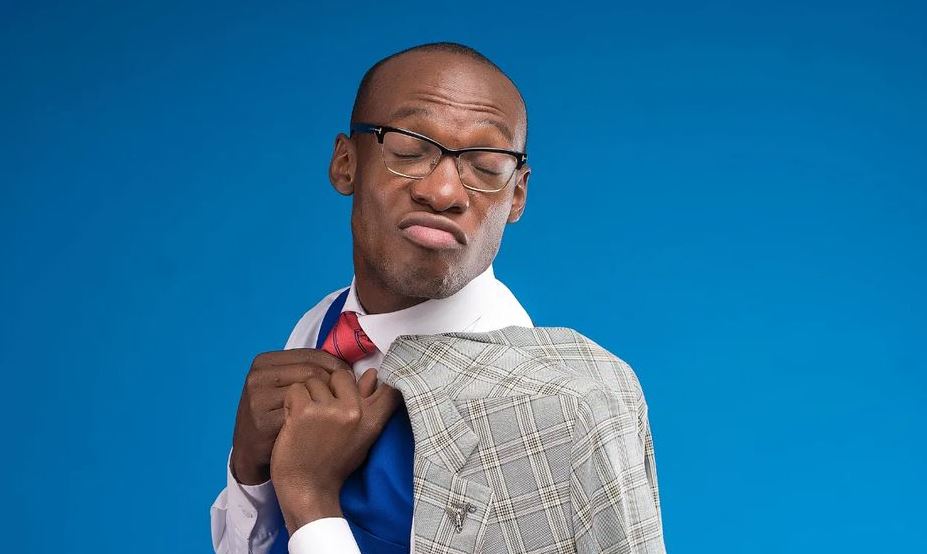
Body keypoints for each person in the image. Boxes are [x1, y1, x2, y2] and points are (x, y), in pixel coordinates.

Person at [210, 42, 664, 554]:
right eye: (409, 149)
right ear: (345, 164)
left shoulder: (562, 412)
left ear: (516, 195)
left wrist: (309, 498)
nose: (444, 191)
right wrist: (249, 473)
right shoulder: (324, 326)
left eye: (486, 165)